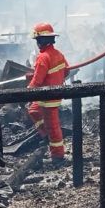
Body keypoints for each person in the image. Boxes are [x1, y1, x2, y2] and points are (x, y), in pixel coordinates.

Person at [26, 22, 69, 166]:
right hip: (52, 94)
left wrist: (27, 92)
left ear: (42, 40)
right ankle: (45, 136)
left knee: (54, 127)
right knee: (33, 110)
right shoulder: (59, 54)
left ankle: (58, 156)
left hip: (47, 98)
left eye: (38, 40)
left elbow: (37, 80)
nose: (37, 43)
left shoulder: (43, 57)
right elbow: (67, 70)